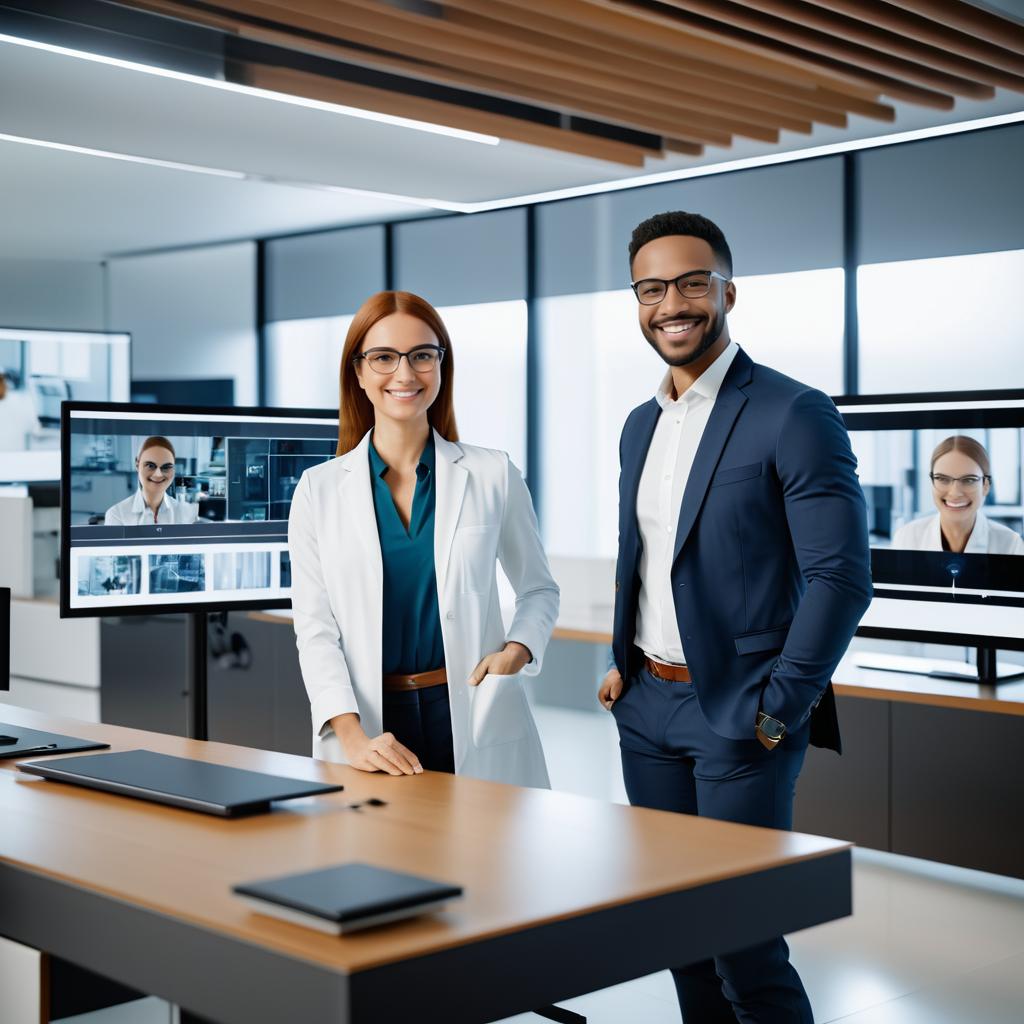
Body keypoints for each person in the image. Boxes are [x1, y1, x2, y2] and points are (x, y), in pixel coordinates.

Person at [598, 211, 872, 1023]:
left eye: (691, 282)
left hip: (743, 714)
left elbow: (842, 575)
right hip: (648, 710)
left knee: (744, 943)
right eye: (652, 288)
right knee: (677, 933)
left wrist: (780, 706)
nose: (671, 303)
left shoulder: (793, 411)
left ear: (727, 290)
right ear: (637, 301)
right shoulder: (639, 424)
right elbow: (651, 560)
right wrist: (627, 659)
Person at [288, 290, 557, 786]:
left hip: (473, 711)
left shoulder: (492, 473)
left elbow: (539, 589)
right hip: (371, 727)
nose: (406, 374)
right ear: (359, 372)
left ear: (441, 365)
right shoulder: (319, 490)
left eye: (422, 355)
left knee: (487, 860)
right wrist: (351, 737)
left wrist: (517, 649)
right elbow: (315, 629)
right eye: (384, 357)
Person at [891, 436, 1024, 555]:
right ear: (932, 482)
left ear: (986, 486)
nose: (955, 492)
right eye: (942, 479)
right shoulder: (906, 538)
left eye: (969, 480)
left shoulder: (1011, 545)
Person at [104, 436, 199, 526]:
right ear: (137, 465)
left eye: (166, 467)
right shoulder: (116, 515)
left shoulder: (187, 514)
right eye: (150, 465)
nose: (158, 474)